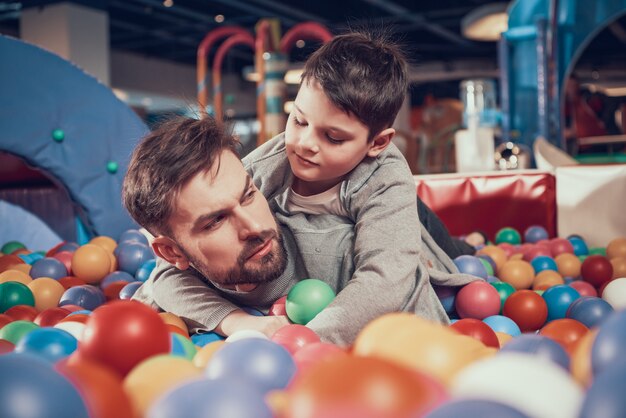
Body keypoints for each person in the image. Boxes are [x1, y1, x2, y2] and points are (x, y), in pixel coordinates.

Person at [124, 32, 477, 346]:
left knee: (441, 244)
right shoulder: (269, 165)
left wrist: (307, 342)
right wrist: (235, 322)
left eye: (333, 137)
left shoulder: (384, 175)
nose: (306, 144)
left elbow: (388, 276)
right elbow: (169, 273)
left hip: (408, 223)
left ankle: (468, 244)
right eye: (299, 120)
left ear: (377, 142)